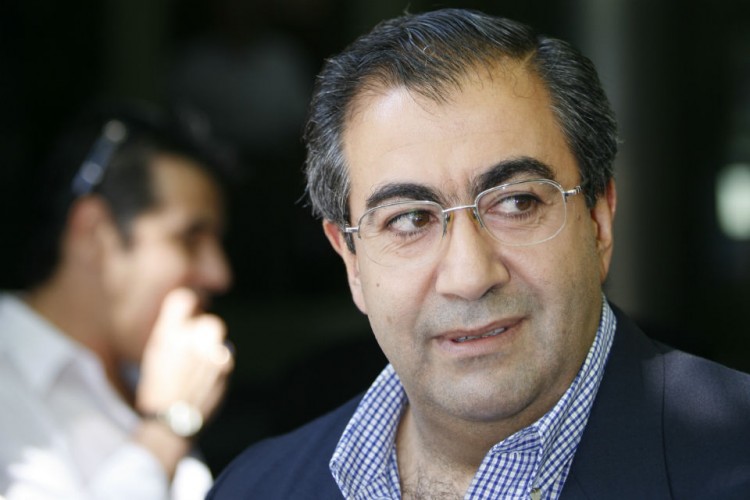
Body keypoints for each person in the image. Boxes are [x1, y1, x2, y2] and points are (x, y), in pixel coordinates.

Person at [208, 8, 750, 500]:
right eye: (409, 219)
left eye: (516, 202)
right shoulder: (254, 488)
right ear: (351, 261)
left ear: (598, 221)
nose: (469, 276)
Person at [0, 101, 236, 499]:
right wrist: (167, 428)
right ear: (95, 233)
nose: (219, 274)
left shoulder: (153, 374)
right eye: (189, 238)